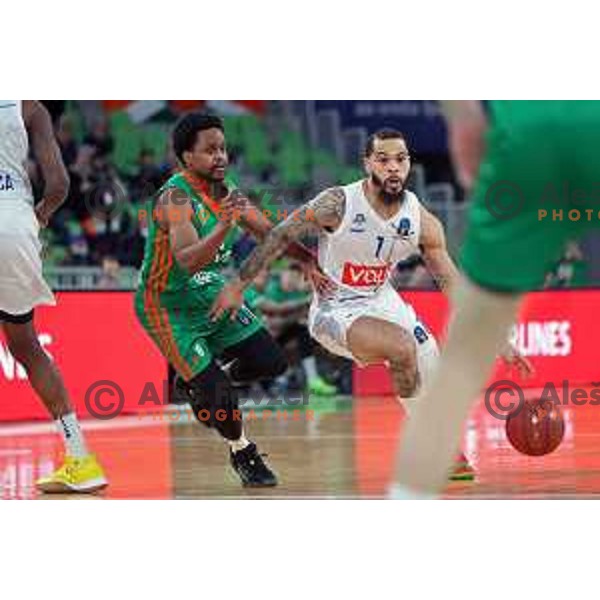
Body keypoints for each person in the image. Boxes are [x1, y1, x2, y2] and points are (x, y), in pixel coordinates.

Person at [213, 129, 532, 480]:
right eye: (383, 159)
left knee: (431, 366)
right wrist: (238, 284)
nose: (393, 167)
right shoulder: (337, 204)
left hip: (383, 299)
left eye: (401, 159)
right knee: (402, 348)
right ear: (367, 163)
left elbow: (450, 281)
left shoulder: (421, 219)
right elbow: (279, 235)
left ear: (409, 163)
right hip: (336, 309)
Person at [391, 101, 599, 498]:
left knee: (459, 368)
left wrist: (485, 182)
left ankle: (409, 497)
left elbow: (466, 123)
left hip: (530, 142)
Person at [134, 111, 327, 487]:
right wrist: (223, 226)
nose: (220, 156)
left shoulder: (227, 191)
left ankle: (201, 383)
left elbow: (268, 233)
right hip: (166, 306)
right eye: (210, 151)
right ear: (187, 158)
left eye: (223, 149)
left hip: (206, 292)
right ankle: (243, 451)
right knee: (219, 399)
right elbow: (188, 260)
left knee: (270, 362)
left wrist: (307, 260)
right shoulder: (174, 197)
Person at [0, 100, 107, 493]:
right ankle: (80, 457)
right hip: (14, 221)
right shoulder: (29, 106)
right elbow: (60, 184)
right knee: (26, 346)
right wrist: (39, 216)